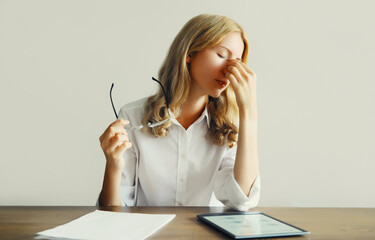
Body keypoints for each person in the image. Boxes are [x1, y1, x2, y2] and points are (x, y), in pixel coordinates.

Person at [98, 14, 260, 211]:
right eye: (222, 55)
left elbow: (241, 200)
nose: (229, 70)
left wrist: (248, 111)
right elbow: (114, 212)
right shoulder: (132, 117)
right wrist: (113, 167)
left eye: (237, 62)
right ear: (190, 53)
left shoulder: (229, 126)